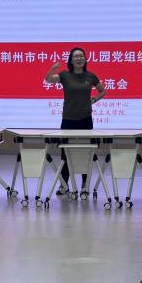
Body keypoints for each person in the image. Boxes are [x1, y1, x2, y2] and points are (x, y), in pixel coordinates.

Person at [44, 47, 107, 192]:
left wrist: (93, 100)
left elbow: (102, 91)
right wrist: (52, 69)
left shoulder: (90, 76)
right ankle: (64, 185)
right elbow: (48, 80)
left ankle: (85, 183)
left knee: (87, 152)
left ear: (85, 59)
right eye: (76, 56)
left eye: (81, 56)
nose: (79, 58)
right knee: (65, 152)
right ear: (71, 60)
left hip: (86, 119)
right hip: (68, 120)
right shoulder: (65, 75)